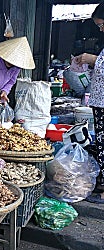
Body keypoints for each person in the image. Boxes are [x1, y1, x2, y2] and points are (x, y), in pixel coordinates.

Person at [73, 1, 104, 189]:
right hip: (100, 101)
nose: (101, 30)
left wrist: (94, 60)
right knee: (100, 142)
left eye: (102, 25)